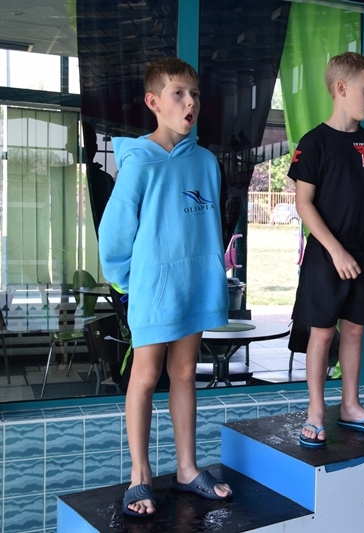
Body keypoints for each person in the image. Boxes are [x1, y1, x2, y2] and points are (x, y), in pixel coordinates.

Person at [99, 57, 232, 517]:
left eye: (194, 94)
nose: (190, 102)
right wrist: (133, 283)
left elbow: (208, 229)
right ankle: (140, 476)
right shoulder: (138, 164)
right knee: (144, 375)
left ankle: (187, 469)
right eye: (178, 93)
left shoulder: (207, 162)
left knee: (185, 372)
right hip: (154, 291)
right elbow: (114, 238)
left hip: (195, 288)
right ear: (154, 102)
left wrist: (210, 276)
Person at [289, 52, 364, 448]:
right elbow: (303, 204)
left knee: (354, 331)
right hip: (326, 254)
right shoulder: (314, 142)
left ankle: (351, 405)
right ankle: (316, 410)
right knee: (321, 333)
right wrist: (335, 251)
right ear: (342, 88)